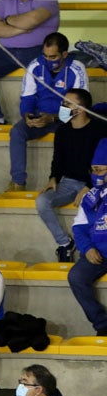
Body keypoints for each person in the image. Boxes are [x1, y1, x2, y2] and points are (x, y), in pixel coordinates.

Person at [7, 32, 89, 191]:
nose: (48, 60)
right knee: (17, 132)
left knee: (77, 133)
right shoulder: (35, 66)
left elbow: (80, 106)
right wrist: (27, 115)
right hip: (40, 116)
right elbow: (27, 98)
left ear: (64, 54)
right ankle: (18, 183)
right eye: (45, 55)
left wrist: (53, 118)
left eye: (53, 57)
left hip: (66, 119)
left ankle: (69, 183)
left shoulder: (77, 69)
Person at [38, 89, 107, 261]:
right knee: (42, 201)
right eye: (63, 103)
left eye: (67, 103)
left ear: (81, 109)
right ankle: (65, 243)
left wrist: (90, 187)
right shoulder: (62, 131)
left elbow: (102, 167)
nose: (62, 106)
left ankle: (96, 249)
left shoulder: (101, 130)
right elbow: (58, 158)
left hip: (95, 183)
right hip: (68, 182)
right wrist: (53, 178)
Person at [67, 138, 107, 335]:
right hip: (97, 253)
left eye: (100, 170)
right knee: (76, 276)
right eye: (93, 170)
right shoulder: (90, 196)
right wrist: (88, 248)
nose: (95, 175)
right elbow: (79, 228)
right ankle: (102, 325)